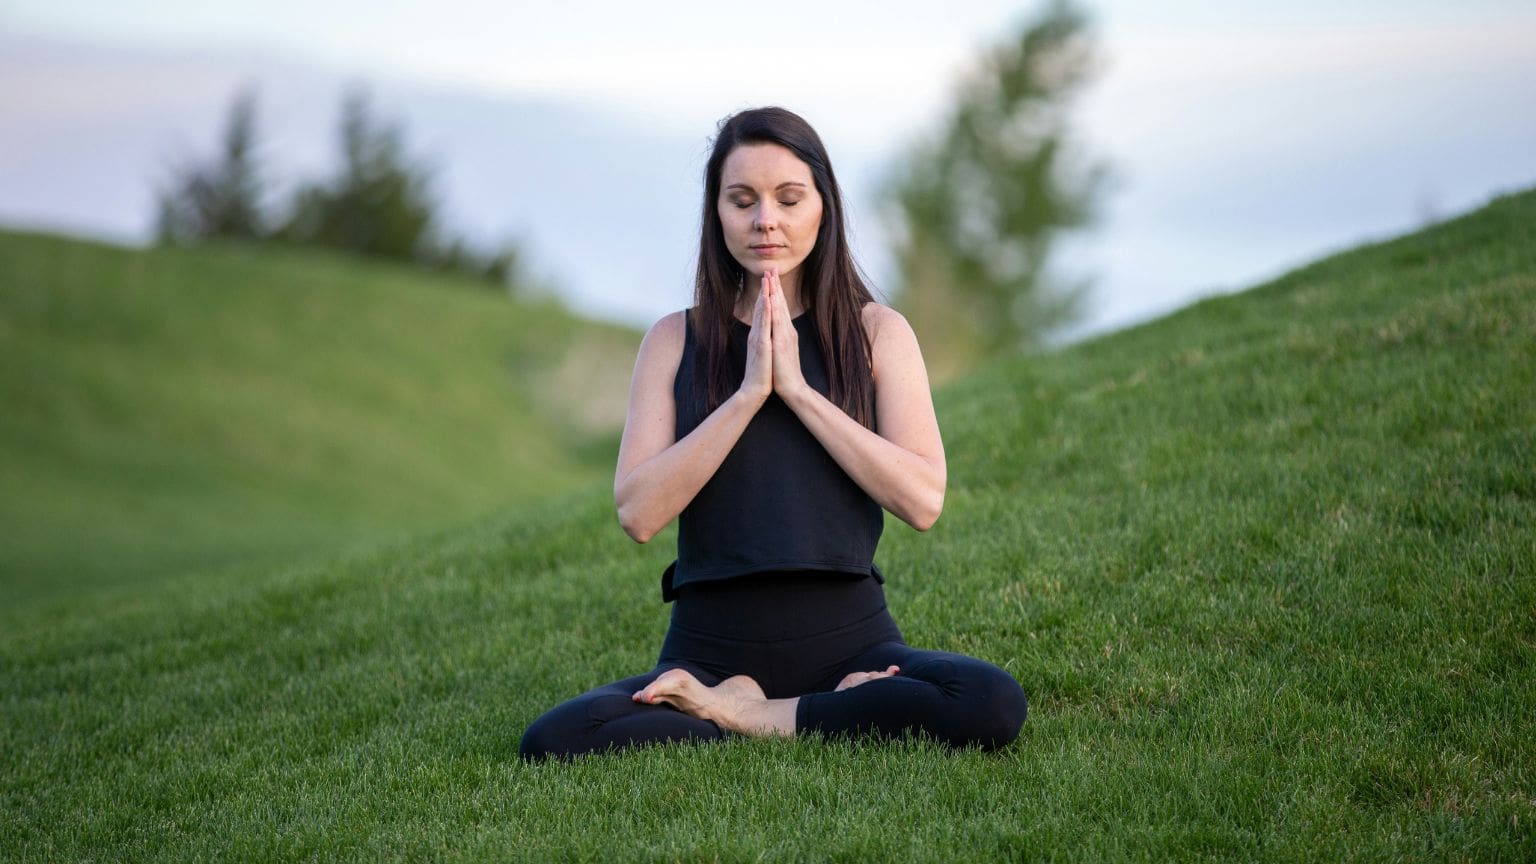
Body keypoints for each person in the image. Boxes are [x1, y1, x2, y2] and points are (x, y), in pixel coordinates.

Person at [519, 106, 1027, 760]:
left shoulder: (878, 334)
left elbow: (923, 500)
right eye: (742, 200)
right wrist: (750, 392)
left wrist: (798, 391)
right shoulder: (673, 340)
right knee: (555, 739)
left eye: (789, 198)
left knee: (989, 702)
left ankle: (754, 716)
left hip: (854, 644)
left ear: (823, 206)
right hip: (708, 652)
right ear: (717, 213)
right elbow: (638, 512)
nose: (766, 219)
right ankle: (784, 708)